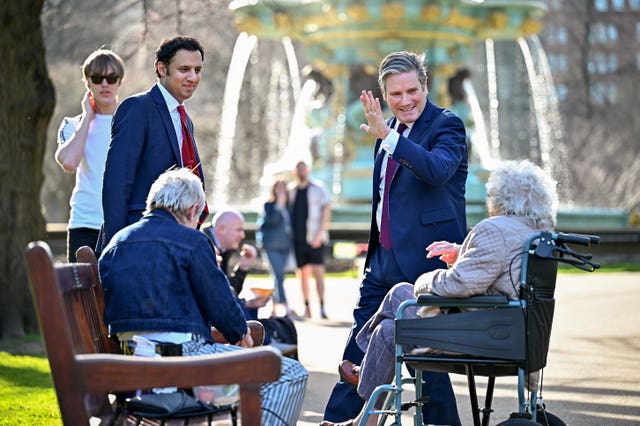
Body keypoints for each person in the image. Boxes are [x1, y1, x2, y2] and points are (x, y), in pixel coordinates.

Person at [321, 159, 559, 426]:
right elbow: (497, 272)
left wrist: (425, 279)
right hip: (512, 331)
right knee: (388, 331)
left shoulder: (495, 229)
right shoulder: (537, 234)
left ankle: (363, 368)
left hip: (481, 335)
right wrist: (461, 254)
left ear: (500, 197)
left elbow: (460, 285)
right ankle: (365, 422)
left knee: (401, 292)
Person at [322, 51, 468, 424]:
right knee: (355, 355)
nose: (405, 101)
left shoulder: (447, 125)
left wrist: (388, 136)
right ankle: (339, 420)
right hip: (381, 264)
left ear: (425, 86)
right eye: (395, 94)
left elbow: (436, 171)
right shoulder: (383, 133)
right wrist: (387, 135)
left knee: (427, 370)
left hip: (425, 266)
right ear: (384, 95)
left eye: (411, 91)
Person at [99, 168, 308, 425]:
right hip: (180, 364)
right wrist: (241, 334)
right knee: (290, 374)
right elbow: (221, 306)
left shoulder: (116, 242)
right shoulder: (193, 241)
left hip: (128, 366)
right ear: (192, 210)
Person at [98, 36, 208, 254]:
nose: (192, 77)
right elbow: (117, 183)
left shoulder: (185, 119)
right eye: (184, 69)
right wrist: (118, 245)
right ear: (162, 68)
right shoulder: (138, 108)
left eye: (197, 70)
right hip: (137, 241)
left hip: (175, 243)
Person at [55, 48, 125, 262]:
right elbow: (69, 162)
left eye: (111, 78)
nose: (105, 84)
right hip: (84, 224)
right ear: (87, 82)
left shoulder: (132, 121)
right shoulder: (72, 124)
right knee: (81, 295)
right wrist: (87, 117)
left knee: (120, 294)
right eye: (97, 78)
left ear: (119, 81)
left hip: (123, 225)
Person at [203, 208, 299, 356]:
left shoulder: (219, 248)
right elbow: (217, 296)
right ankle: (267, 343)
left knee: (283, 326)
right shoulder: (206, 246)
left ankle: (268, 343)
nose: (243, 235)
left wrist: (243, 267)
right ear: (222, 229)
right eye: (239, 230)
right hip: (207, 330)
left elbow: (227, 291)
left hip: (213, 324)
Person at [288, 160, 331, 319]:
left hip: (315, 237)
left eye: (303, 169)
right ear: (294, 172)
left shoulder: (318, 188)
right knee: (303, 275)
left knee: (319, 273)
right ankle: (307, 307)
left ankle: (322, 307)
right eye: (298, 169)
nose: (301, 172)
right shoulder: (291, 191)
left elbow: (326, 209)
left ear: (308, 170)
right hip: (298, 239)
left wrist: (320, 234)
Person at [256, 178, 296, 317]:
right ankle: (286, 306)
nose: (281, 191)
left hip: (284, 246)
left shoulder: (289, 207)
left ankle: (273, 308)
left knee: (277, 277)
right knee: (279, 275)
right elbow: (273, 220)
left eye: (283, 188)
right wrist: (279, 205)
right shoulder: (269, 205)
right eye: (278, 188)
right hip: (271, 246)